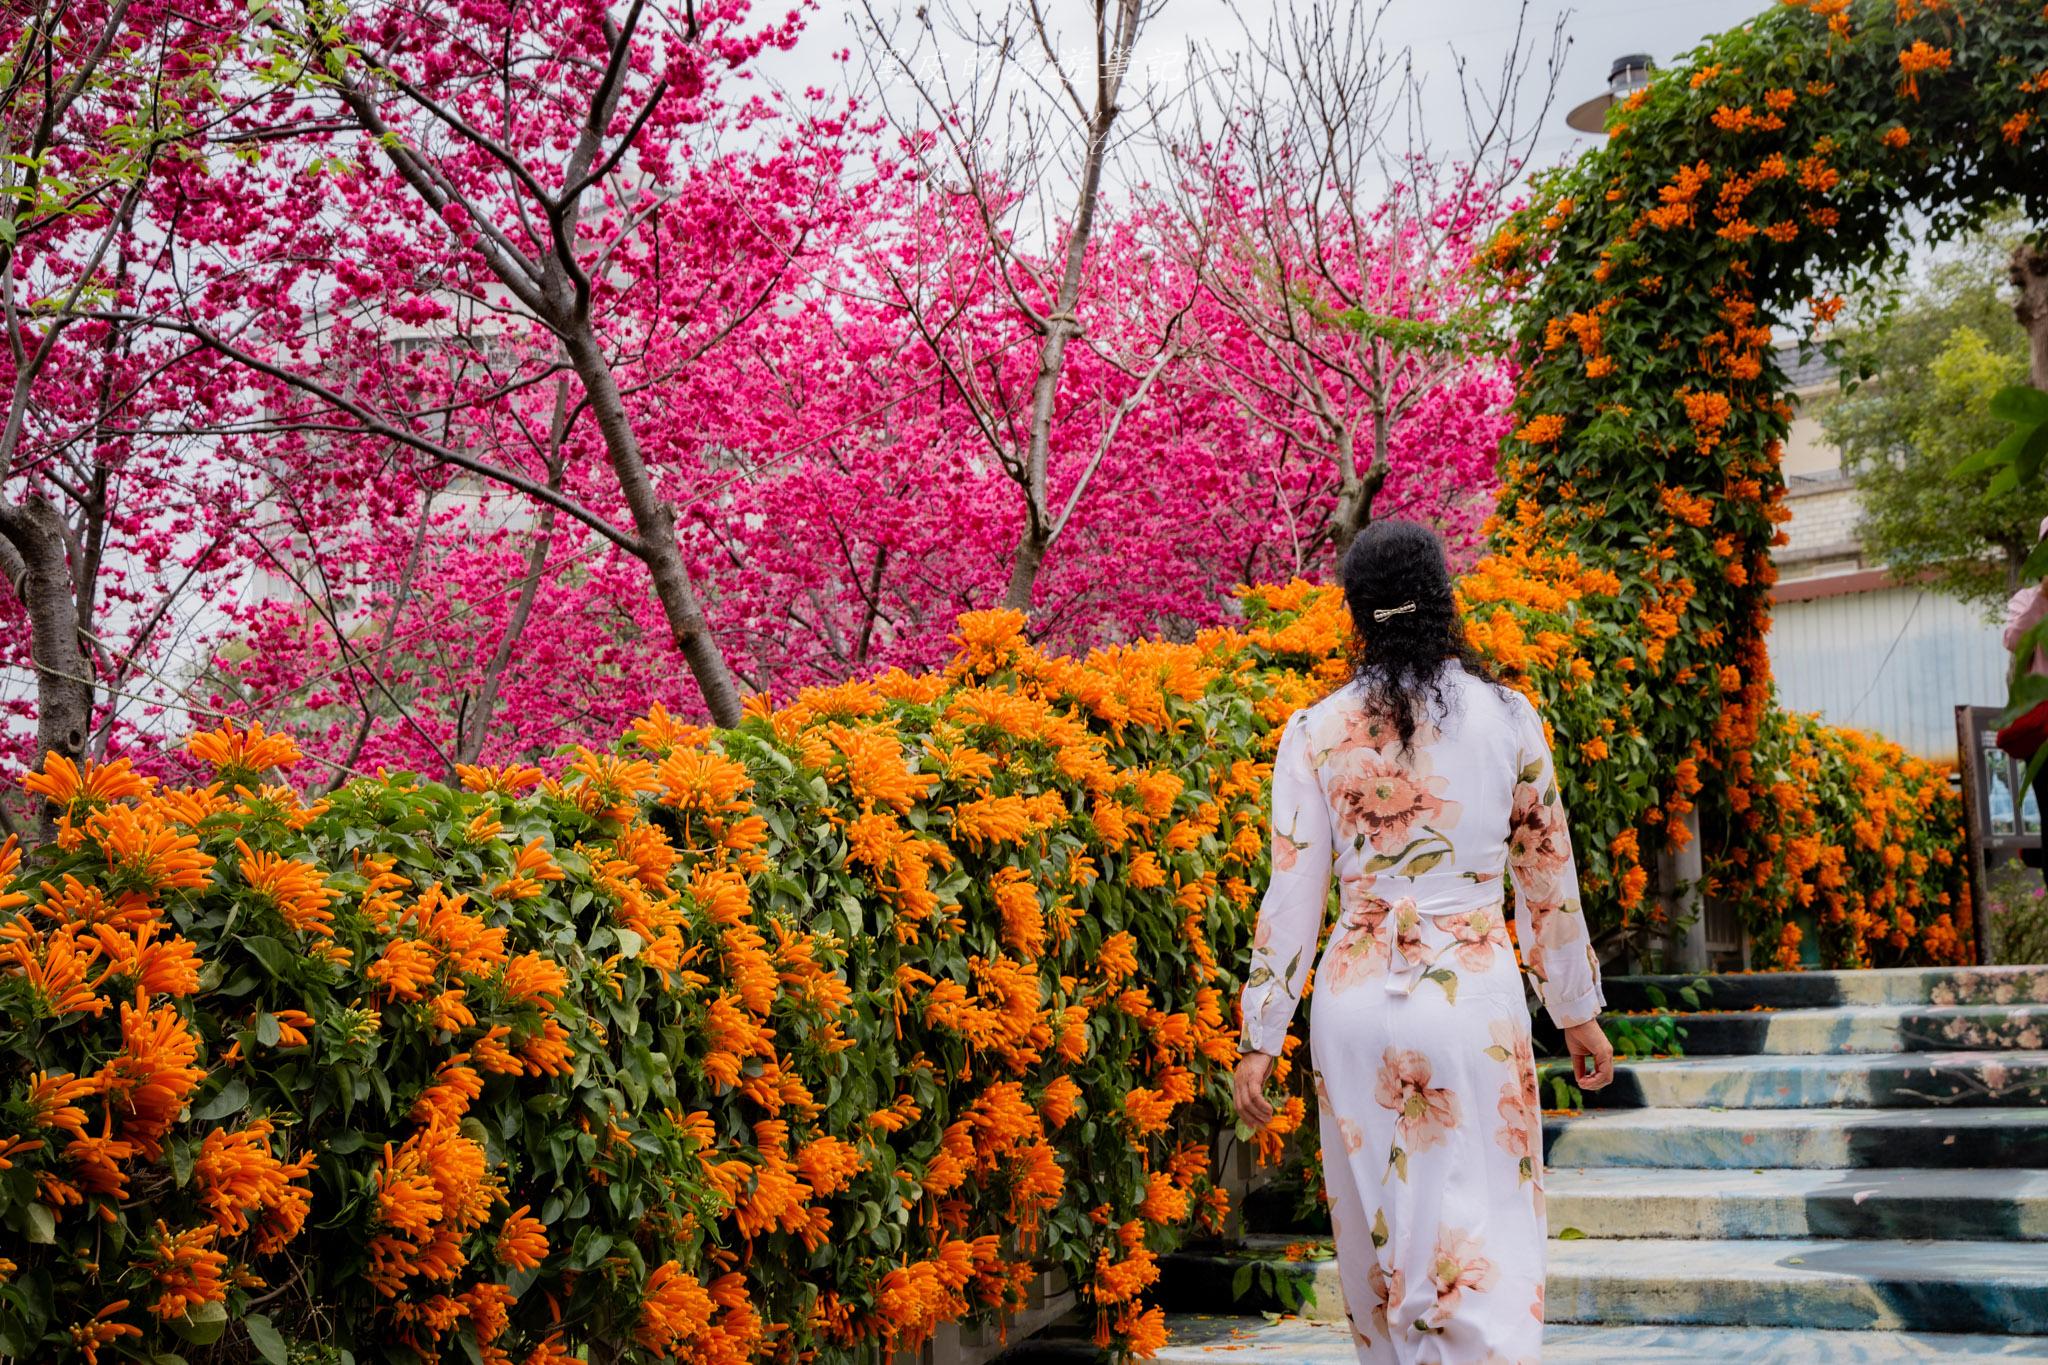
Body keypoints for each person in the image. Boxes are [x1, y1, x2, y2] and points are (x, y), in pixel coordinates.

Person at [1231, 519, 1613, 1365]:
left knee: (1381, 1225)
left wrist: (1261, 1034)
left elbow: (1291, 891)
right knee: (1483, 1215)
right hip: (1469, 989)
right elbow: (1546, 873)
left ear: (1356, 615)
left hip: (1353, 996)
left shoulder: (1316, 730)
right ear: (1445, 599)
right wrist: (1576, 1010)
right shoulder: (1509, 715)